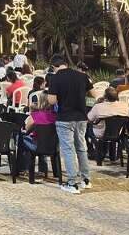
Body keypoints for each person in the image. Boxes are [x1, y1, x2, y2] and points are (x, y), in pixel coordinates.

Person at [47, 54, 99, 194]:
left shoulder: (55, 78)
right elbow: (95, 94)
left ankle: (72, 183)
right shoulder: (82, 75)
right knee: (81, 147)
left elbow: (52, 101)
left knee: (68, 150)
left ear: (54, 66)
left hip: (65, 118)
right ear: (66, 64)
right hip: (81, 117)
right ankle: (86, 180)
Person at [19, 94, 57, 172]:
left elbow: (26, 130)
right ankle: (44, 168)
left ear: (41, 102)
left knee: (20, 138)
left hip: (38, 146)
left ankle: (22, 167)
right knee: (41, 139)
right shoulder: (56, 116)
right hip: (53, 146)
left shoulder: (35, 116)